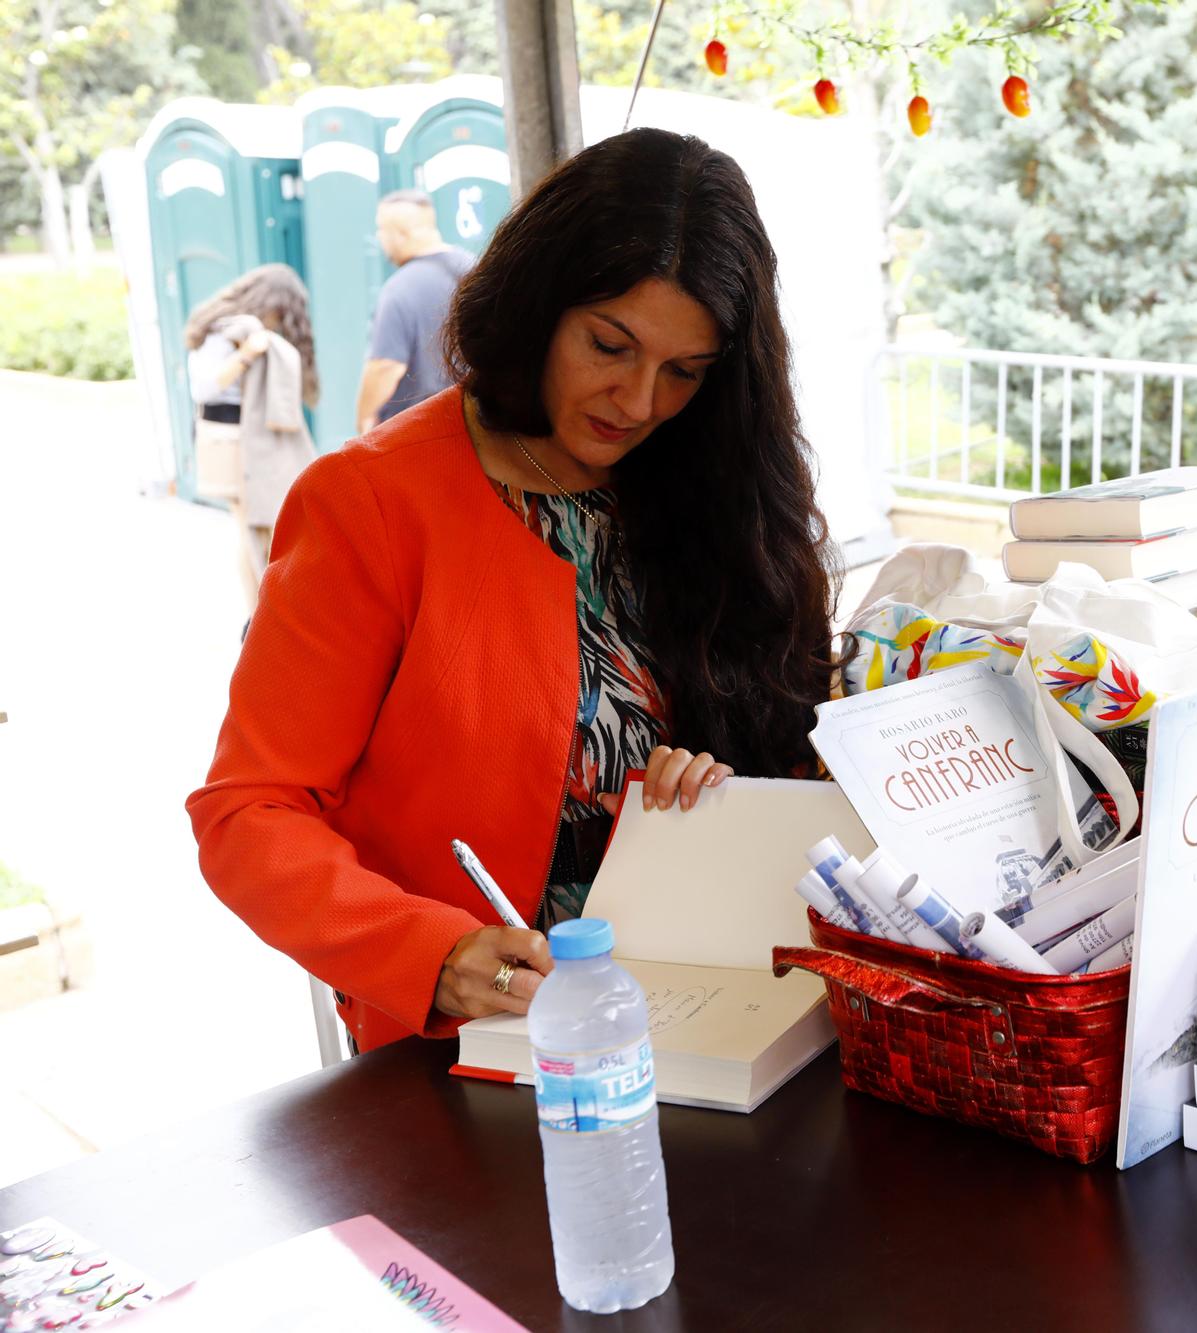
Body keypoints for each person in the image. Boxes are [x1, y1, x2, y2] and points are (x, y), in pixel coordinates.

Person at [187, 130, 842, 1053]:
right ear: (539, 303)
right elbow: (247, 812)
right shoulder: (372, 503)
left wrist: (717, 797)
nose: (640, 401)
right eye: (609, 345)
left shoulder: (714, 485)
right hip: (476, 1045)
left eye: (685, 372)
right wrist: (433, 951)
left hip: (718, 1021)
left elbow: (787, 746)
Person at [185, 264, 319, 608]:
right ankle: (258, 612)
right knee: (250, 527)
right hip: (227, 439)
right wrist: (247, 354)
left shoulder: (244, 330)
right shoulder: (224, 332)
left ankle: (261, 608)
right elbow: (204, 388)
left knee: (256, 526)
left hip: (245, 437)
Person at [355, 190, 477, 434]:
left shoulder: (399, 288)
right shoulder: (477, 268)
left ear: (401, 234)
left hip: (418, 433)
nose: (379, 238)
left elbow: (385, 367)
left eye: (381, 230)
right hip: (476, 425)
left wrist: (364, 418)